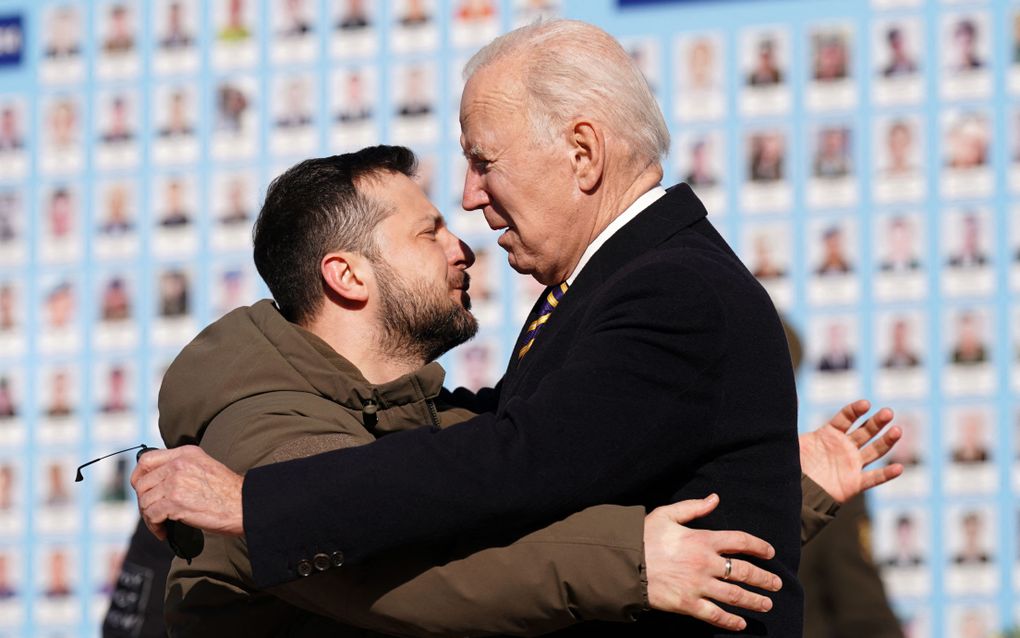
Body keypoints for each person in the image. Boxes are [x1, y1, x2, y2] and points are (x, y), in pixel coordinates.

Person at [135, 21, 902, 635]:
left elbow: (520, 462)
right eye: (432, 219)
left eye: (484, 161)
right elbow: (527, 457)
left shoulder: (671, 290)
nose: (472, 201)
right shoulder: (623, 282)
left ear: (582, 153)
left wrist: (259, 504)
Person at [155, 147, 781, 637]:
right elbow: (419, 578)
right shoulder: (260, 432)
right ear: (347, 275)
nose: (464, 249)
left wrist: (782, 488)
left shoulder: (408, 416)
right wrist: (635, 563)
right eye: (430, 233)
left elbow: (544, 485)